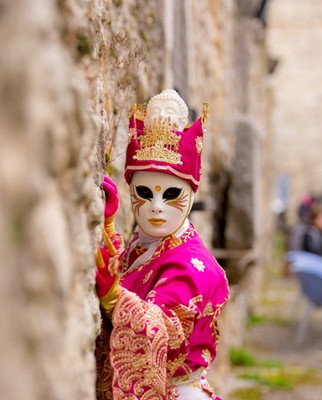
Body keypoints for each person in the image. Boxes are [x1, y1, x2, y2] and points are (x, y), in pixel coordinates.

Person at [94, 89, 230, 400]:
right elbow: (126, 271)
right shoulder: (155, 244)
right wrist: (109, 227)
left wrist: (117, 300)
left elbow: (168, 334)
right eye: (144, 192)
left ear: (191, 192)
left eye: (170, 194)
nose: (156, 207)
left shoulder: (192, 266)